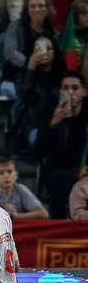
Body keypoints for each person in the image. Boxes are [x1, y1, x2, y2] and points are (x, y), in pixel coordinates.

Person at [37, 71, 88, 218]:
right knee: (56, 179)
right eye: (65, 88)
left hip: (84, 170)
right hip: (57, 172)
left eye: (74, 88)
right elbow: (37, 152)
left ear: (84, 91)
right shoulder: (51, 114)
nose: (70, 92)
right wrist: (54, 123)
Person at [1, 0, 56, 99]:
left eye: (41, 6)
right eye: (33, 6)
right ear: (27, 9)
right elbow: (9, 52)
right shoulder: (15, 27)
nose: (37, 9)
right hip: (15, 77)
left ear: (46, 9)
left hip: (43, 79)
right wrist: (30, 63)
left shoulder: (53, 31)